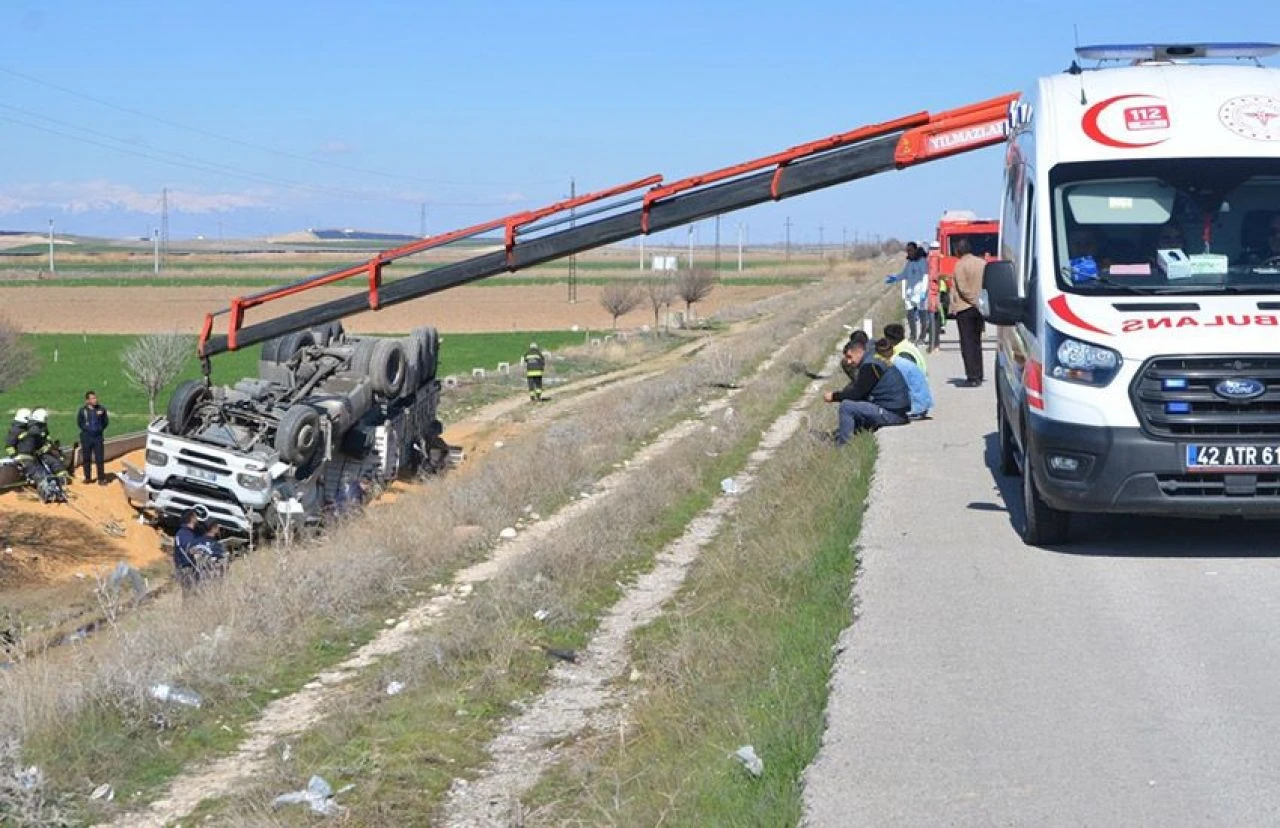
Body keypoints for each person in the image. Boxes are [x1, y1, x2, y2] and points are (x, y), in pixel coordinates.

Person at [823, 337, 910, 444]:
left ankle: (843, 446)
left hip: (892, 414)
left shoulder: (870, 366)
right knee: (859, 407)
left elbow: (856, 394)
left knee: (846, 406)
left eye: (850, 357)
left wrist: (833, 396)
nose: (849, 362)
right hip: (897, 411)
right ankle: (835, 436)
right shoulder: (875, 358)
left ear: (859, 352)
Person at [951, 237, 986, 387]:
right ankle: (979, 373)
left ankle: (972, 376)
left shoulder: (960, 265)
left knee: (967, 344)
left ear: (959, 250)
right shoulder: (982, 263)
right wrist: (980, 302)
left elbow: (962, 288)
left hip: (965, 307)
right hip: (979, 308)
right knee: (977, 342)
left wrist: (973, 300)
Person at [173, 510, 227, 593]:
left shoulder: (193, 535)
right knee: (190, 593)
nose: (197, 519)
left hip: (195, 569)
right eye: (196, 516)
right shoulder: (184, 534)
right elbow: (185, 551)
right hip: (188, 568)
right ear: (192, 518)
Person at [885, 242, 929, 343]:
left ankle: (922, 336)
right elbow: (905, 274)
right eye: (907, 250)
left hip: (920, 293)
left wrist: (923, 292)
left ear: (915, 250)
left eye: (910, 250)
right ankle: (913, 335)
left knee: (922, 315)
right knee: (910, 314)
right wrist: (896, 278)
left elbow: (926, 277)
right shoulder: (910, 262)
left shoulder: (922, 261)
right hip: (910, 293)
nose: (908, 252)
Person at [77, 390, 109, 485]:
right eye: (92, 398)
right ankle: (87, 477)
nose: (95, 400)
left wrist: (99, 429)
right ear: (87, 400)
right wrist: (86, 429)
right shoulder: (82, 411)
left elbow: (105, 422)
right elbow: (80, 422)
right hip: (86, 437)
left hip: (98, 437)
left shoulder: (101, 409)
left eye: (95, 398)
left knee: (99, 458)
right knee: (86, 458)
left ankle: (101, 478)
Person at [925, 241, 944, 351]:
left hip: (933, 291)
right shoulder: (941, 258)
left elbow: (932, 276)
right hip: (940, 290)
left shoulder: (931, 259)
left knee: (932, 318)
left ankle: (932, 345)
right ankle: (936, 344)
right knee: (937, 318)